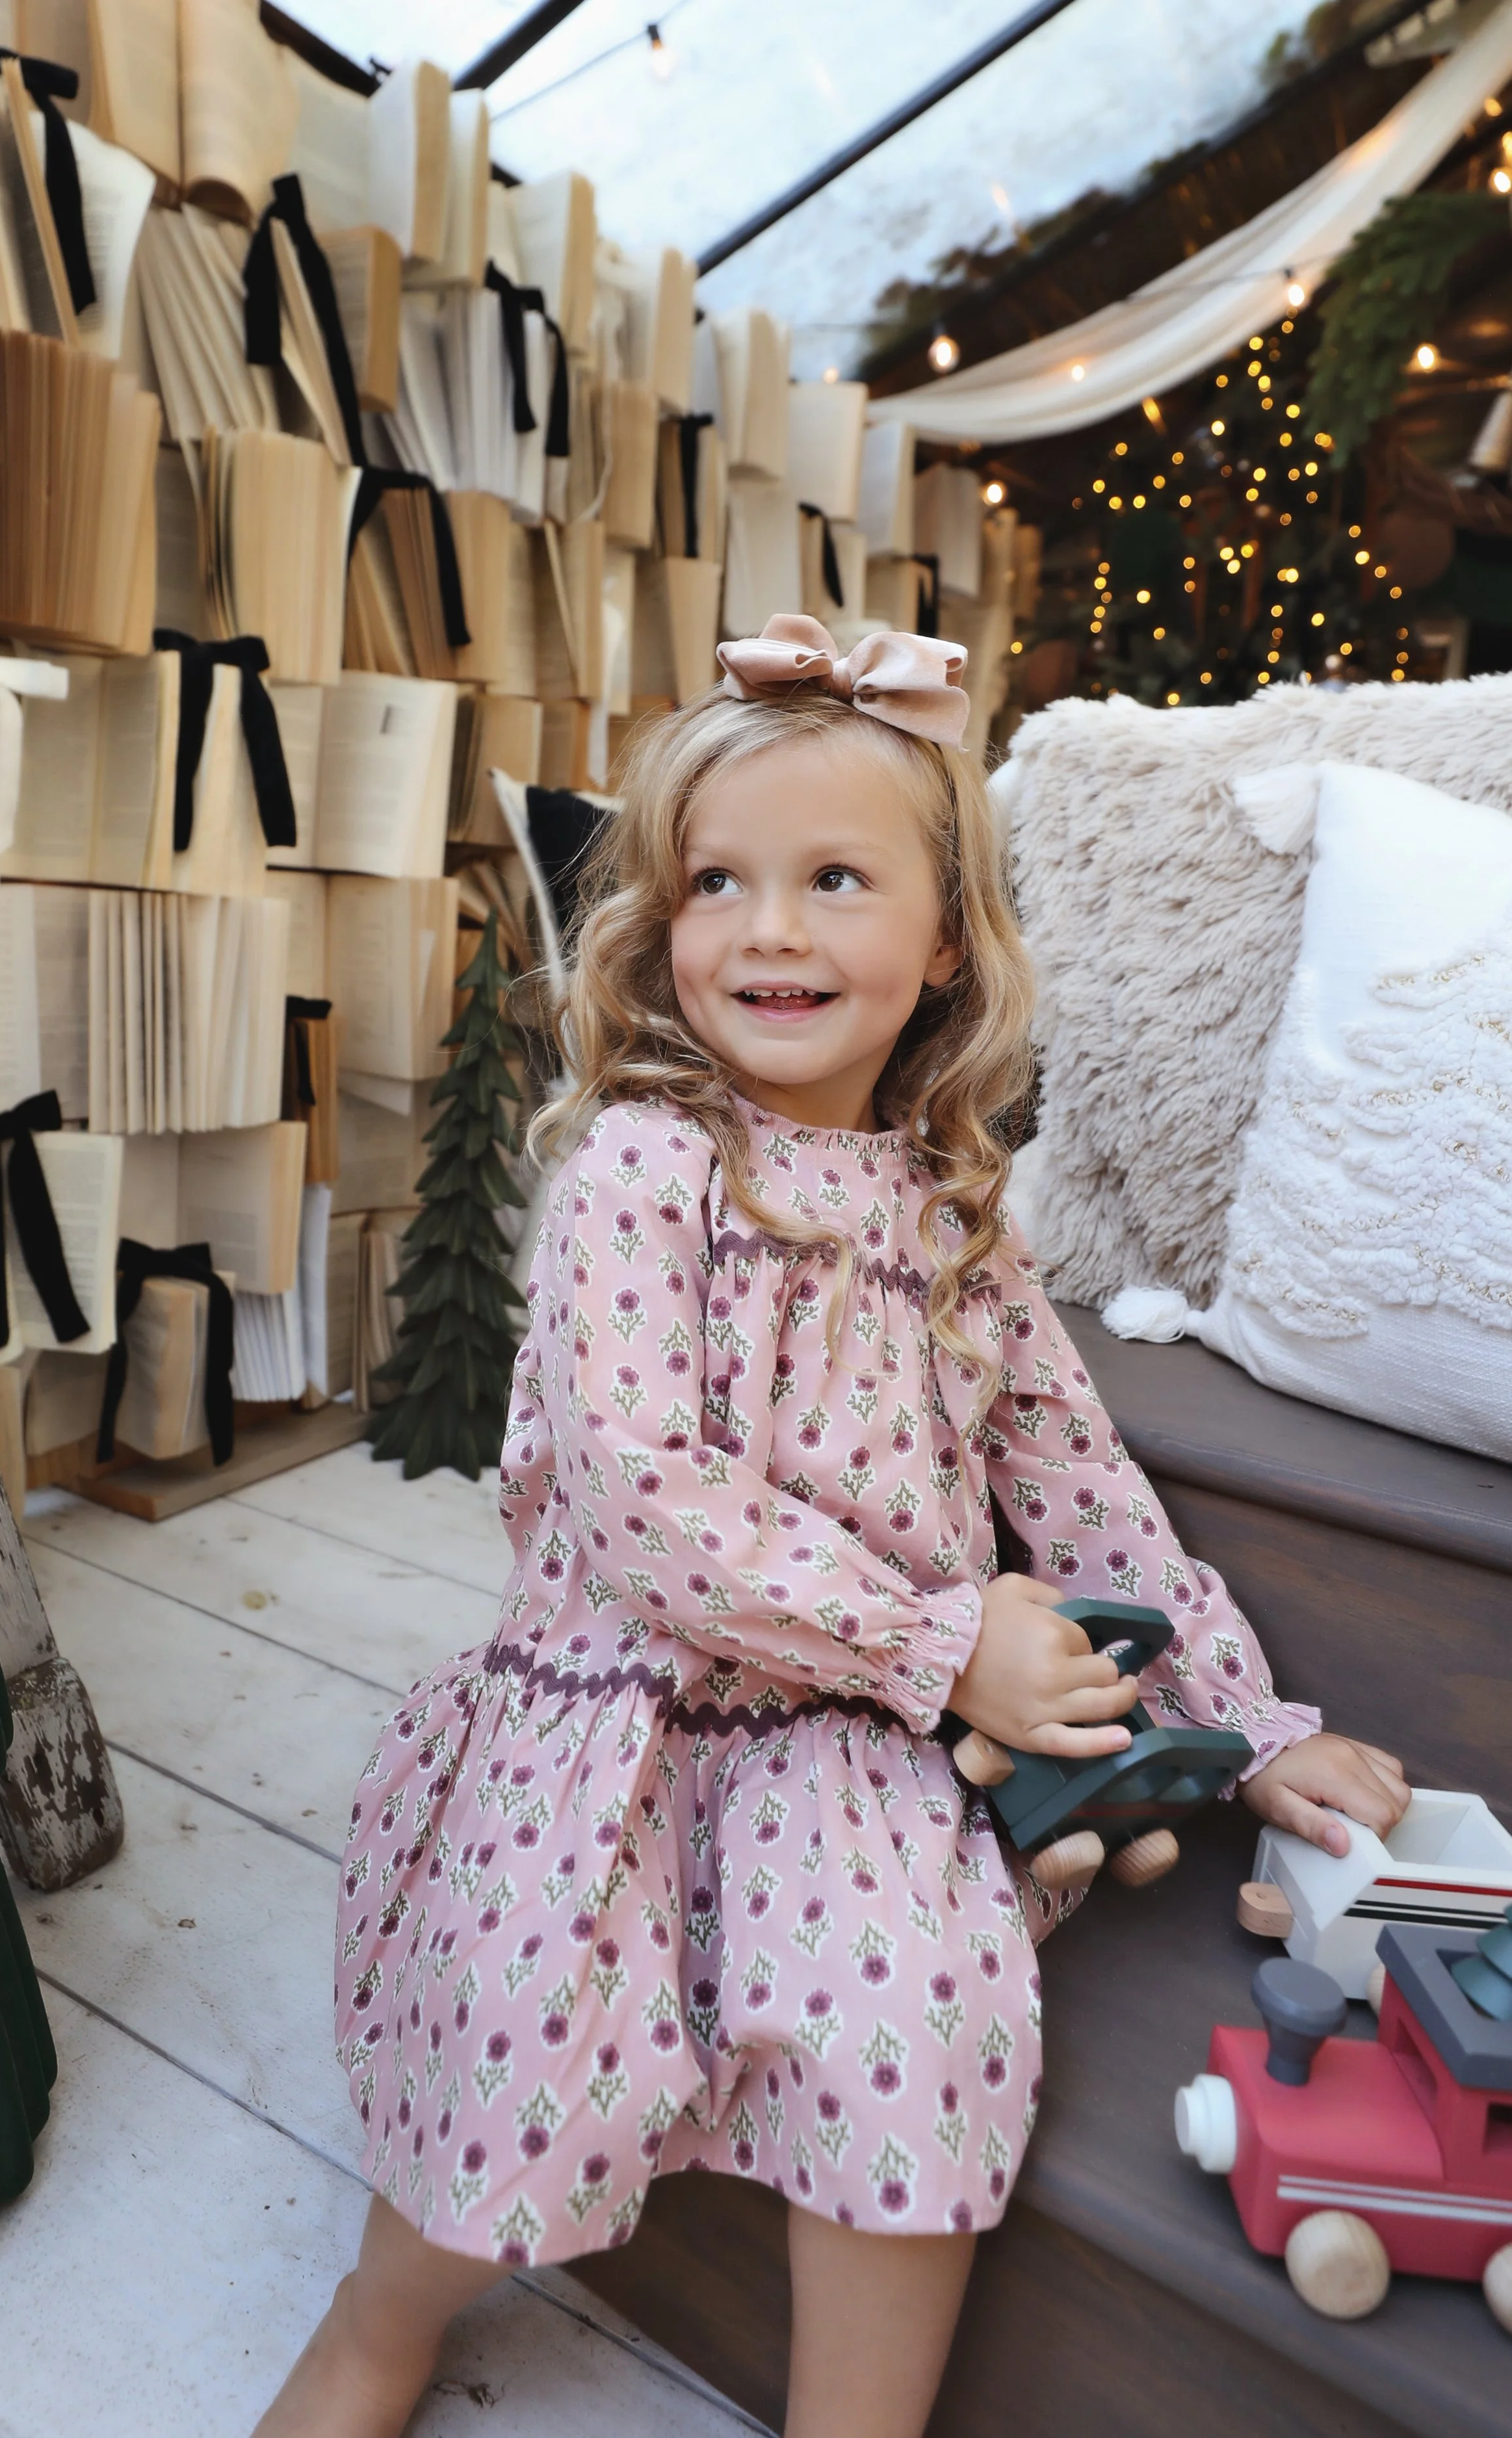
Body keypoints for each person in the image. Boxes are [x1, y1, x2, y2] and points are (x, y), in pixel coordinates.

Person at [256, 615, 1410, 2438]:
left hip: (846, 1744)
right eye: (717, 879)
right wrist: (950, 1639)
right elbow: (646, 1498)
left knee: (921, 2033)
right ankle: (378, 2324)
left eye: (832, 877)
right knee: (519, 2022)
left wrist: (1246, 1721)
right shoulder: (639, 1173)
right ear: (656, 921)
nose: (768, 926)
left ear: (943, 937)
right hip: (613, 1715)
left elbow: (1079, 1481)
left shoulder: (959, 1212)